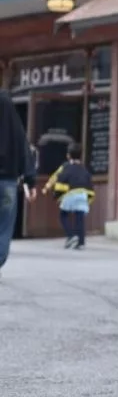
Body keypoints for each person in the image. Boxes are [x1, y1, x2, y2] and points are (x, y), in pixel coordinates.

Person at [0, 90, 36, 272]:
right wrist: (30, 179)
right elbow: (22, 144)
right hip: (7, 181)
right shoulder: (10, 114)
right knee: (4, 227)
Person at [43, 143, 94, 250]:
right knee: (80, 218)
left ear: (68, 155)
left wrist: (48, 188)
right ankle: (81, 242)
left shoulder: (66, 166)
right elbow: (89, 182)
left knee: (63, 215)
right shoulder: (84, 169)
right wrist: (89, 198)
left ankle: (71, 236)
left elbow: (56, 177)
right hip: (83, 194)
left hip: (70, 193)